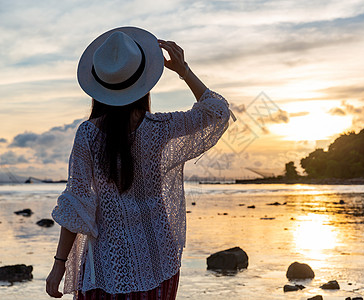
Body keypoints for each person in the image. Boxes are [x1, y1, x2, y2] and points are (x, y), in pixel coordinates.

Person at [46, 26, 232, 299]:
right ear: (144, 81)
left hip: (106, 267)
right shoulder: (161, 127)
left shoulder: (88, 134)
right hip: (159, 260)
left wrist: (59, 265)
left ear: (99, 87)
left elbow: (77, 203)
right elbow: (217, 112)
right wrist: (184, 70)